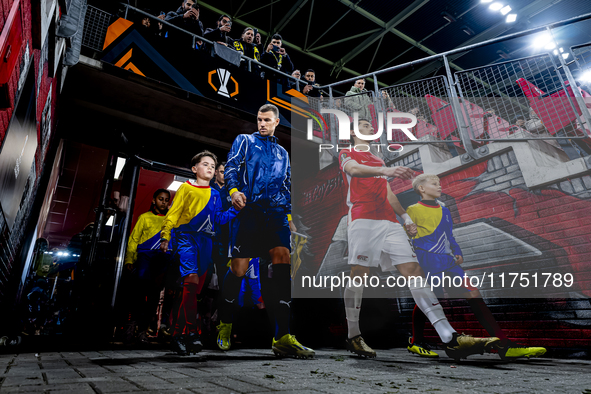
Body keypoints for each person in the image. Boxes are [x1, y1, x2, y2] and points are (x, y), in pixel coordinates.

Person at [340, 118, 500, 360]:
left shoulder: (379, 160)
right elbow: (352, 170)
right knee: (359, 274)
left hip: (389, 222)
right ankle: (353, 335)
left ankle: (450, 337)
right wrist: (385, 170)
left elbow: (388, 193)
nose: (370, 127)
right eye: (364, 125)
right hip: (363, 218)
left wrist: (405, 217)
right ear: (352, 132)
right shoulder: (347, 152)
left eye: (371, 125)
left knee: (414, 271)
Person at [406, 174, 547, 360]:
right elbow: (408, 236)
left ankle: (505, 346)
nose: (439, 187)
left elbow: (450, 235)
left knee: (473, 293)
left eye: (439, 183)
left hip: (448, 260)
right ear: (422, 189)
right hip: (428, 260)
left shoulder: (444, 210)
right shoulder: (413, 209)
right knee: (432, 299)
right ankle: (416, 342)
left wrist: (457, 251)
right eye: (434, 184)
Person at [217, 104, 314, 358]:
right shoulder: (245, 141)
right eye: (259, 119)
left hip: (276, 214)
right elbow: (231, 167)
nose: (262, 123)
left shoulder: (283, 153)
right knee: (238, 268)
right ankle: (225, 323)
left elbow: (286, 186)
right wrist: (233, 191)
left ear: (276, 122)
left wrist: (290, 216)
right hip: (249, 212)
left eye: (267, 120)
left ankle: (282, 335)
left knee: (283, 259)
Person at [160, 151, 239, 355]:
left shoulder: (214, 194)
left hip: (207, 242)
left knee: (192, 292)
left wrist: (236, 210)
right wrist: (165, 236)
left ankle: (178, 335)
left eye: (213, 166)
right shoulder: (186, 188)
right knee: (192, 282)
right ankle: (192, 333)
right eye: (206, 164)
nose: (211, 168)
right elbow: (174, 212)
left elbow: (219, 219)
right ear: (195, 169)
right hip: (187, 237)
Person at [123, 189, 172, 344]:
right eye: (160, 199)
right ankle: (131, 326)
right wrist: (129, 260)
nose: (163, 202)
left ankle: (143, 331)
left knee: (153, 298)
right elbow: (133, 240)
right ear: (153, 200)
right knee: (138, 295)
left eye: (166, 200)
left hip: (162, 260)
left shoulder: (171, 221)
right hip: (145, 258)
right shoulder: (144, 217)